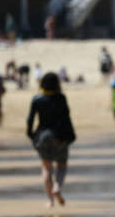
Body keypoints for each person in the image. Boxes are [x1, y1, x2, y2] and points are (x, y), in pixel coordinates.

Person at [25, 72, 77, 207]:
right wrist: (71, 135)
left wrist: (31, 135)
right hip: (60, 136)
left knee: (47, 169)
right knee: (62, 166)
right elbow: (66, 118)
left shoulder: (36, 99)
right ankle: (57, 187)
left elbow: (30, 119)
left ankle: (49, 201)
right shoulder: (61, 98)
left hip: (42, 137)